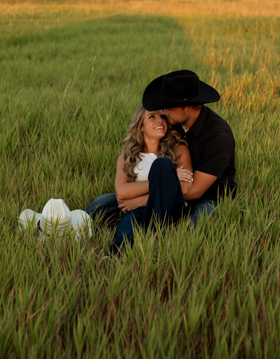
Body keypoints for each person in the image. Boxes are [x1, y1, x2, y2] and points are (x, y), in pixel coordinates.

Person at [86, 70, 236, 227]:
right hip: (165, 187)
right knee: (106, 202)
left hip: (204, 196)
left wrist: (141, 201)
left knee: (198, 222)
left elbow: (195, 190)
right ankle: (70, 221)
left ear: (189, 106)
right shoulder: (172, 122)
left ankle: (165, 244)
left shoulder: (219, 136)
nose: (164, 112)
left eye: (169, 107)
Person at [107, 105, 193, 253]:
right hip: (139, 211)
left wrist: (140, 199)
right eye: (152, 117)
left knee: (162, 165)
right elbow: (121, 192)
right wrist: (167, 180)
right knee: (126, 228)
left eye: (162, 117)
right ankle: (114, 260)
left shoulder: (178, 150)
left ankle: (155, 238)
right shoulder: (127, 157)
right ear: (141, 126)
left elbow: (184, 189)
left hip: (172, 210)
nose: (160, 121)